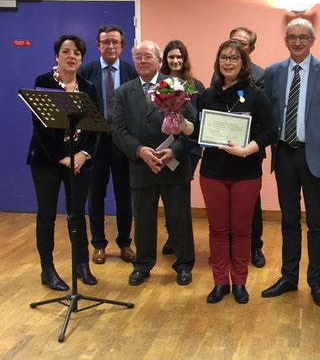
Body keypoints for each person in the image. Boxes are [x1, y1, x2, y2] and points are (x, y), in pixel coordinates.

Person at [262, 18, 320, 307]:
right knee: (288, 220)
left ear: (312, 40)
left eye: (303, 37)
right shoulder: (273, 72)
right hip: (284, 154)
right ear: (285, 41)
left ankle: (316, 281)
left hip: (315, 156)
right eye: (292, 37)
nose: (297, 42)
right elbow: (269, 112)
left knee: (318, 223)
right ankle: (288, 277)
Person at [196, 40, 276, 304]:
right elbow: (198, 132)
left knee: (242, 231)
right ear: (217, 62)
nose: (228, 62)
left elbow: (269, 131)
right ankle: (220, 282)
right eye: (223, 58)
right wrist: (181, 124)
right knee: (218, 230)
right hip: (212, 173)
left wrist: (245, 150)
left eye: (234, 58)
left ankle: (239, 282)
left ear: (244, 63)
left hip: (246, 172)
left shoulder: (255, 95)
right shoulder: (207, 95)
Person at [112, 40, 195, 286]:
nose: (142, 61)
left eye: (148, 56)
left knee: (179, 219)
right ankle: (143, 264)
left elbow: (192, 127)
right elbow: (118, 130)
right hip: (141, 165)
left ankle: (183, 265)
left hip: (173, 165)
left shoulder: (177, 86)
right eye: (137, 57)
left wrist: (174, 151)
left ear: (159, 61)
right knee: (144, 220)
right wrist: (139, 151)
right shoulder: (124, 92)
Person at [27, 34, 98, 290]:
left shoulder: (88, 86)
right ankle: (48, 269)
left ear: (81, 58)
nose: (72, 56)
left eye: (77, 53)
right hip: (47, 161)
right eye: (66, 52)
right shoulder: (43, 82)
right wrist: (63, 156)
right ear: (56, 56)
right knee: (47, 215)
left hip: (80, 162)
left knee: (77, 215)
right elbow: (41, 127)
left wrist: (83, 155)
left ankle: (81, 265)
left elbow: (95, 128)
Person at [78, 24, 138, 265]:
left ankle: (125, 243)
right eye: (105, 42)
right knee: (96, 196)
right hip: (94, 144)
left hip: (123, 143)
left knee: (125, 195)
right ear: (98, 46)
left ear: (122, 46)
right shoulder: (86, 71)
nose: (110, 46)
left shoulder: (131, 71)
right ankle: (99, 244)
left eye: (115, 42)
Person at [210, 27, 267, 268]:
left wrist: (246, 146)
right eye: (232, 44)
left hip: (248, 151)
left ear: (251, 49)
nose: (235, 51)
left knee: (250, 205)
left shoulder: (261, 75)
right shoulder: (218, 76)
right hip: (221, 150)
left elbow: (262, 117)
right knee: (223, 210)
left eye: (241, 45)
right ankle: (226, 249)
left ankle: (254, 247)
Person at [159, 40, 205, 255]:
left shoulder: (196, 86)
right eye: (171, 57)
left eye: (179, 57)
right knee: (167, 192)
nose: (175, 61)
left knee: (179, 194)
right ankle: (171, 236)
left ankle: (181, 239)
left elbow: (198, 121)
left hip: (189, 148)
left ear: (185, 59)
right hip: (164, 146)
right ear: (165, 60)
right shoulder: (158, 86)